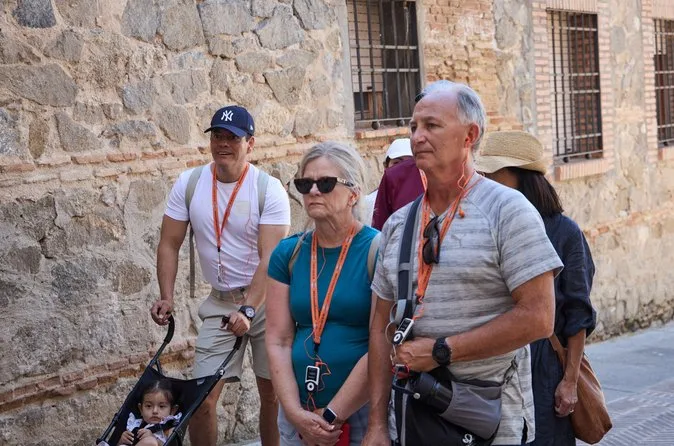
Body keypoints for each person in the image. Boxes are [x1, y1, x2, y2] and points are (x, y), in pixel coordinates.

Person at [363, 80, 564, 446]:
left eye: (432, 125)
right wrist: (376, 424)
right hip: (411, 419)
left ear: (469, 135)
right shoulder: (398, 224)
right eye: (413, 126)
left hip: (489, 422)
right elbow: (379, 328)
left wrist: (441, 351)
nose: (417, 137)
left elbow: (539, 317)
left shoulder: (508, 211)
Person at [150, 105, 291, 446]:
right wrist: (166, 296)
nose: (223, 143)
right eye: (217, 135)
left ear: (250, 144)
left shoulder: (268, 189)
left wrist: (249, 310)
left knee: (272, 395)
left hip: (267, 303)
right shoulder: (190, 183)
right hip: (221, 303)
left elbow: (271, 258)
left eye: (232, 137)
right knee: (201, 400)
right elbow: (169, 243)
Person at [474, 130, 597, 446]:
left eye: (493, 174)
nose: (485, 181)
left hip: (543, 367)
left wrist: (569, 382)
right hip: (491, 365)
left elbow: (578, 314)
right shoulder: (486, 225)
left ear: (520, 176)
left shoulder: (564, 233)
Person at [266, 141, 380, 446]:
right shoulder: (288, 253)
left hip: (362, 410)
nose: (313, 191)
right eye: (305, 184)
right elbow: (278, 340)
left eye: (326, 183)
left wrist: (332, 415)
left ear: (353, 194)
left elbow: (381, 343)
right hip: (299, 412)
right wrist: (294, 413)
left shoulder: (378, 250)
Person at [370, 151, 426, 231]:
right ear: (385, 165)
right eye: (396, 162)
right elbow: (380, 229)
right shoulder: (392, 176)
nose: (402, 165)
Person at [364, 138, 414, 225]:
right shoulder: (369, 202)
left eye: (408, 164)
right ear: (385, 166)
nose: (402, 169)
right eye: (397, 163)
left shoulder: (423, 200)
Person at [119, 380, 180, 446]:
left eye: (161, 406)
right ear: (141, 409)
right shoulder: (134, 424)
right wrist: (121, 441)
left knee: (150, 442)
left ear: (172, 410)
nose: (155, 411)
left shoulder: (169, 430)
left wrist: (154, 439)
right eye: (148, 406)